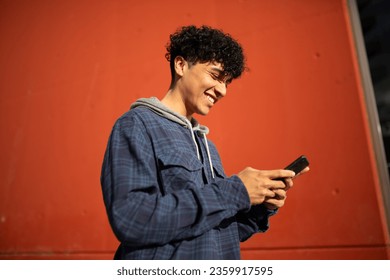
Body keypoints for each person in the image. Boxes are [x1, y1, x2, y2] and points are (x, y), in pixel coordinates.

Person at [100, 25, 309, 260]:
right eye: (215, 75)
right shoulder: (137, 124)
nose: (222, 90)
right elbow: (132, 219)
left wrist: (260, 203)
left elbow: (214, 231)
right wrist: (235, 191)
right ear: (181, 65)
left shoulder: (208, 147)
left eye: (227, 82)